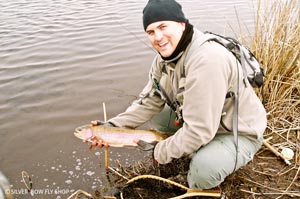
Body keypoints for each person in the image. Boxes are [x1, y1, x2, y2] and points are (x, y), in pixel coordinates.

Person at [90, 0, 267, 190]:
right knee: (158, 115)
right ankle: (187, 148)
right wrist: (111, 127)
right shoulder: (164, 59)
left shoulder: (207, 60)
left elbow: (199, 131)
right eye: (150, 32)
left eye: (163, 26)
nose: (158, 37)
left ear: (181, 24)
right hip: (206, 122)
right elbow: (148, 101)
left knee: (203, 172)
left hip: (236, 132)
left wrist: (159, 151)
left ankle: (208, 160)